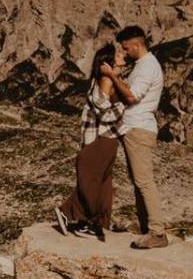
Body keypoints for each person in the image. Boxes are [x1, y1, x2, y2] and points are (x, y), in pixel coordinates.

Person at [99, 25, 167, 249]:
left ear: (137, 45)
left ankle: (157, 232)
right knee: (138, 181)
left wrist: (110, 75)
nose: (125, 52)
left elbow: (131, 96)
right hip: (132, 128)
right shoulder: (141, 65)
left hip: (139, 129)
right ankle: (147, 227)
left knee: (144, 181)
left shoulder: (148, 67)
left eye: (126, 48)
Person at [54, 43, 128, 241]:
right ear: (109, 62)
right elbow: (104, 112)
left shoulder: (112, 79)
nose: (123, 55)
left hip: (108, 139)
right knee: (92, 183)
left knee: (103, 183)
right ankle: (77, 218)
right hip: (100, 139)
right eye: (118, 54)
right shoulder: (106, 80)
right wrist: (125, 106)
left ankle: (101, 220)